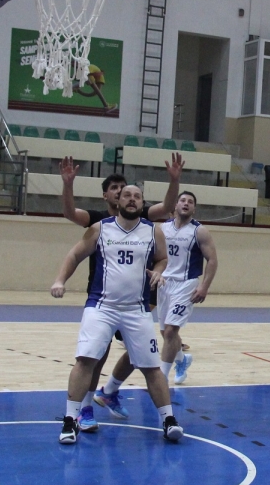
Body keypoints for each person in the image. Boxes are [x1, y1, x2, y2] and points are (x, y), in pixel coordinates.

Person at [50, 179, 184, 444]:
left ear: (142, 203)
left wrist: (159, 271)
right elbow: (75, 255)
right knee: (85, 360)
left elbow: (162, 258)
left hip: (137, 309)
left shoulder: (153, 231)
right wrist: (60, 280)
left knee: (151, 367)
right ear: (117, 200)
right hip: (102, 306)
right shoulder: (100, 228)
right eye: (126, 195)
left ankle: (169, 420)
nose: (132, 199)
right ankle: (70, 420)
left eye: (137, 196)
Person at [157, 190, 218, 385]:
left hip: (186, 284)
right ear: (175, 205)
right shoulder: (162, 228)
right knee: (165, 332)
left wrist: (204, 287)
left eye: (190, 202)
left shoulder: (199, 231)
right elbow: (155, 255)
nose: (186, 203)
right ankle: (182, 360)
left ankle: (161, 379)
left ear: (194, 208)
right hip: (164, 283)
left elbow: (212, 260)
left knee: (170, 332)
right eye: (182, 200)